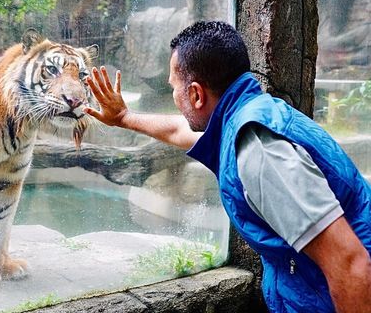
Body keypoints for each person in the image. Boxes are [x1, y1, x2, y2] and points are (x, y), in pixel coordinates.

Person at [84, 21, 371, 313]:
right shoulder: (248, 114)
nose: (173, 96)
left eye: (173, 86)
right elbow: (179, 131)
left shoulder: (259, 152)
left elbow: (352, 266)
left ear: (195, 94)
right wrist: (123, 117)